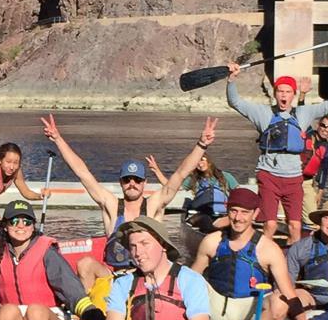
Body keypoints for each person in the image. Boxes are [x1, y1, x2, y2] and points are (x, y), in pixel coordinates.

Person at [40, 113, 217, 292]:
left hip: (146, 277)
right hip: (115, 277)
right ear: (121, 183)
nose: (132, 184)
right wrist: (58, 139)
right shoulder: (111, 205)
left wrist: (201, 145)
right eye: (127, 180)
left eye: (137, 180)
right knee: (85, 264)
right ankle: (87, 314)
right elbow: (83, 173)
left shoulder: (154, 205)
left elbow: (180, 174)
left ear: (144, 183)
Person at [223, 55, 328, 243]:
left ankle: (294, 264)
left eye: (288, 92)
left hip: (293, 178)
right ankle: (264, 260)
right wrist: (232, 79)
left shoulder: (303, 113)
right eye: (280, 91)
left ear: (293, 94)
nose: (283, 95)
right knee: (271, 224)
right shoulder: (262, 113)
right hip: (269, 175)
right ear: (275, 94)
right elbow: (235, 102)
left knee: (295, 226)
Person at [77, 217, 212, 320]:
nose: (138, 252)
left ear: (163, 245)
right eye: (133, 246)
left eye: (144, 243)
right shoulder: (123, 283)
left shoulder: (189, 279)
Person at [192, 187, 297, 320]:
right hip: (216, 307)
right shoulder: (211, 241)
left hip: (252, 312)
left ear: (255, 214)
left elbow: (288, 292)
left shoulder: (269, 249)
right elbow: (190, 278)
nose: (238, 218)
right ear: (227, 211)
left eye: (245, 212)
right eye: (234, 211)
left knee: (280, 301)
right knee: (192, 285)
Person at [0, 201, 84, 320]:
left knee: (35, 312)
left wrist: (92, 315)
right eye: (14, 221)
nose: (21, 226)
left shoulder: (47, 252)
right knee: (7, 311)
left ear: (33, 226)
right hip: (13, 317)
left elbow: (72, 291)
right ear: (5, 226)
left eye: (27, 222)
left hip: (50, 316)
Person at [301, 117, 328, 218]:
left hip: (306, 182)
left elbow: (324, 171)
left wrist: (320, 192)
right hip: (290, 178)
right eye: (323, 126)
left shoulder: (327, 150)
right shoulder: (305, 135)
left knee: (312, 217)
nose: (326, 130)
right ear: (318, 125)